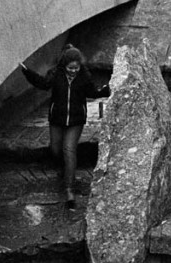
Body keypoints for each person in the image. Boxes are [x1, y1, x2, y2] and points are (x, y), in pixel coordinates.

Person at [20, 46, 110, 208]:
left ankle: (69, 189)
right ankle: (67, 167)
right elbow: (43, 83)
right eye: (70, 68)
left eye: (76, 68)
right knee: (55, 149)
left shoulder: (84, 76)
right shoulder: (56, 75)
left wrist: (107, 89)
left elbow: (93, 92)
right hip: (57, 119)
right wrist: (27, 72)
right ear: (64, 66)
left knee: (69, 149)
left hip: (76, 121)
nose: (74, 71)